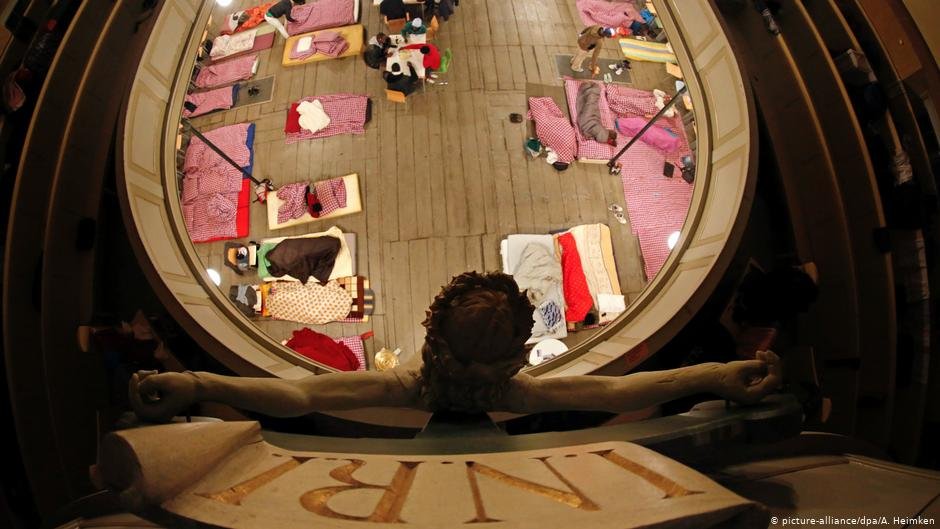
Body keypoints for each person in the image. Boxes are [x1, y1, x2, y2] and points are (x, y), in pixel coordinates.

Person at [129, 272, 782, 422]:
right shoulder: (523, 390)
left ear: (431, 332)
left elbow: (298, 394)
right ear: (521, 354)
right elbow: (621, 389)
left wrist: (202, 384)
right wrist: (716, 374)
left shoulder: (400, 386)